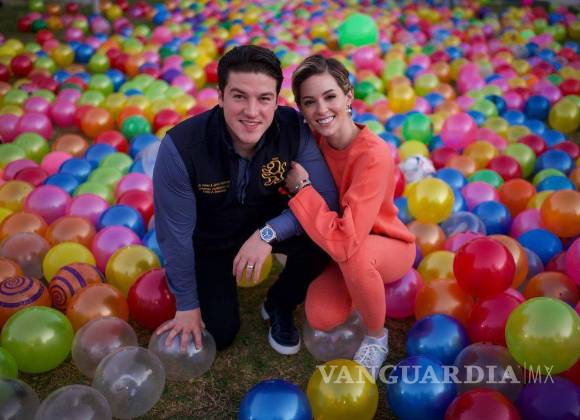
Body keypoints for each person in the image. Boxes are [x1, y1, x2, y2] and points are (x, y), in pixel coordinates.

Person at [153, 46, 338, 355]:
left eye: (264, 99)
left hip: (266, 222)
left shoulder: (293, 128)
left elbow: (326, 201)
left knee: (325, 235)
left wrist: (268, 233)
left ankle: (280, 302)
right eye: (239, 96)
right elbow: (176, 236)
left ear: (277, 101)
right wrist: (186, 304)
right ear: (220, 96)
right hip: (211, 240)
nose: (252, 112)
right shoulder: (182, 147)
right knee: (219, 333)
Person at [285, 55, 416, 378]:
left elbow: (346, 243)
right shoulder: (311, 143)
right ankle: (363, 289)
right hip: (338, 245)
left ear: (348, 96)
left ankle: (376, 337)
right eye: (310, 102)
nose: (321, 109)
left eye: (330, 96)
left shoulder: (373, 154)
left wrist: (302, 189)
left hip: (387, 244)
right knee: (320, 316)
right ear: (301, 109)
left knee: (355, 256)